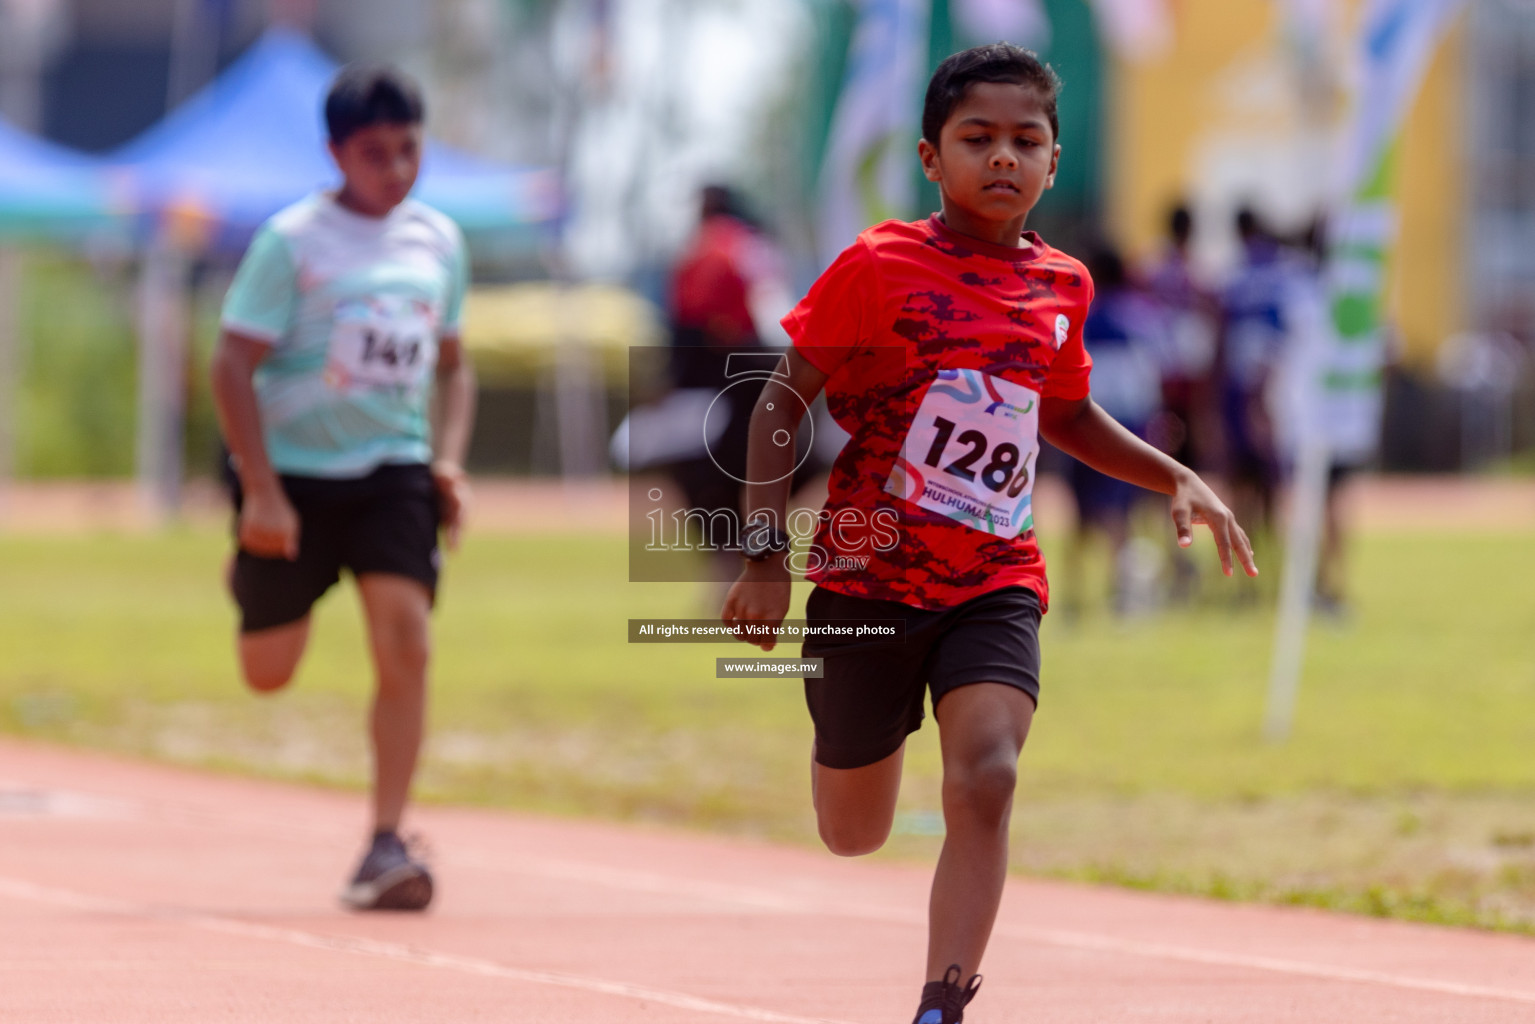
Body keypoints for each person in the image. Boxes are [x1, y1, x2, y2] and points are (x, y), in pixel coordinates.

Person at [720, 44, 1257, 1024]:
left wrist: (1175, 474)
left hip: (991, 579)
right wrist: (762, 554)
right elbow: (775, 401)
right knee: (851, 832)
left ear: (1053, 162)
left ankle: (942, 1002)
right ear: (931, 156)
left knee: (990, 776)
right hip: (864, 581)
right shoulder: (879, 264)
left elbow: (1064, 415)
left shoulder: (1063, 287)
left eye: (1025, 141)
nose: (1001, 158)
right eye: (977, 139)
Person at [209, 64, 474, 912]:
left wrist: (448, 460)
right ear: (334, 154)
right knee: (267, 672)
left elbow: (455, 367)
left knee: (407, 642)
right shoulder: (291, 242)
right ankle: (252, 578)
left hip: (392, 470)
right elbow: (229, 364)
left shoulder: (437, 240)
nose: (395, 170)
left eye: (408, 150)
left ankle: (384, 840)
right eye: (373, 155)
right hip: (290, 478)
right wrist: (260, 489)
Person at [1061, 243, 1167, 616]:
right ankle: (1121, 591)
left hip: (1082, 421)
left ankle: (1073, 593)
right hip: (1129, 425)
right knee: (1119, 513)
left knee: (1080, 512)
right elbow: (1152, 374)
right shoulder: (1141, 316)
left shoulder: (1084, 314)